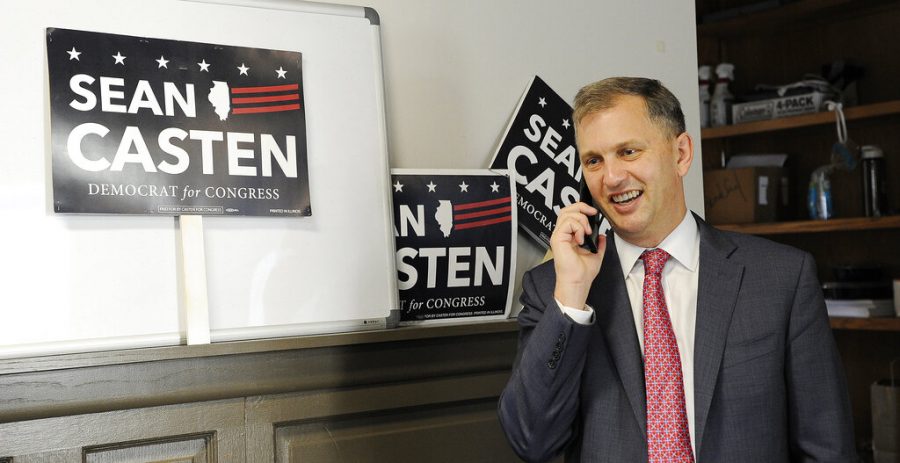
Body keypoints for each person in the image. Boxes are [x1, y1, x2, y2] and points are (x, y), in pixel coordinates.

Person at [497, 77, 855, 462]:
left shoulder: (782, 277)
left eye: (629, 151)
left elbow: (827, 447)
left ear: (681, 153)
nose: (612, 178)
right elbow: (532, 442)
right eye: (594, 160)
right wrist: (571, 296)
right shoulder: (553, 290)